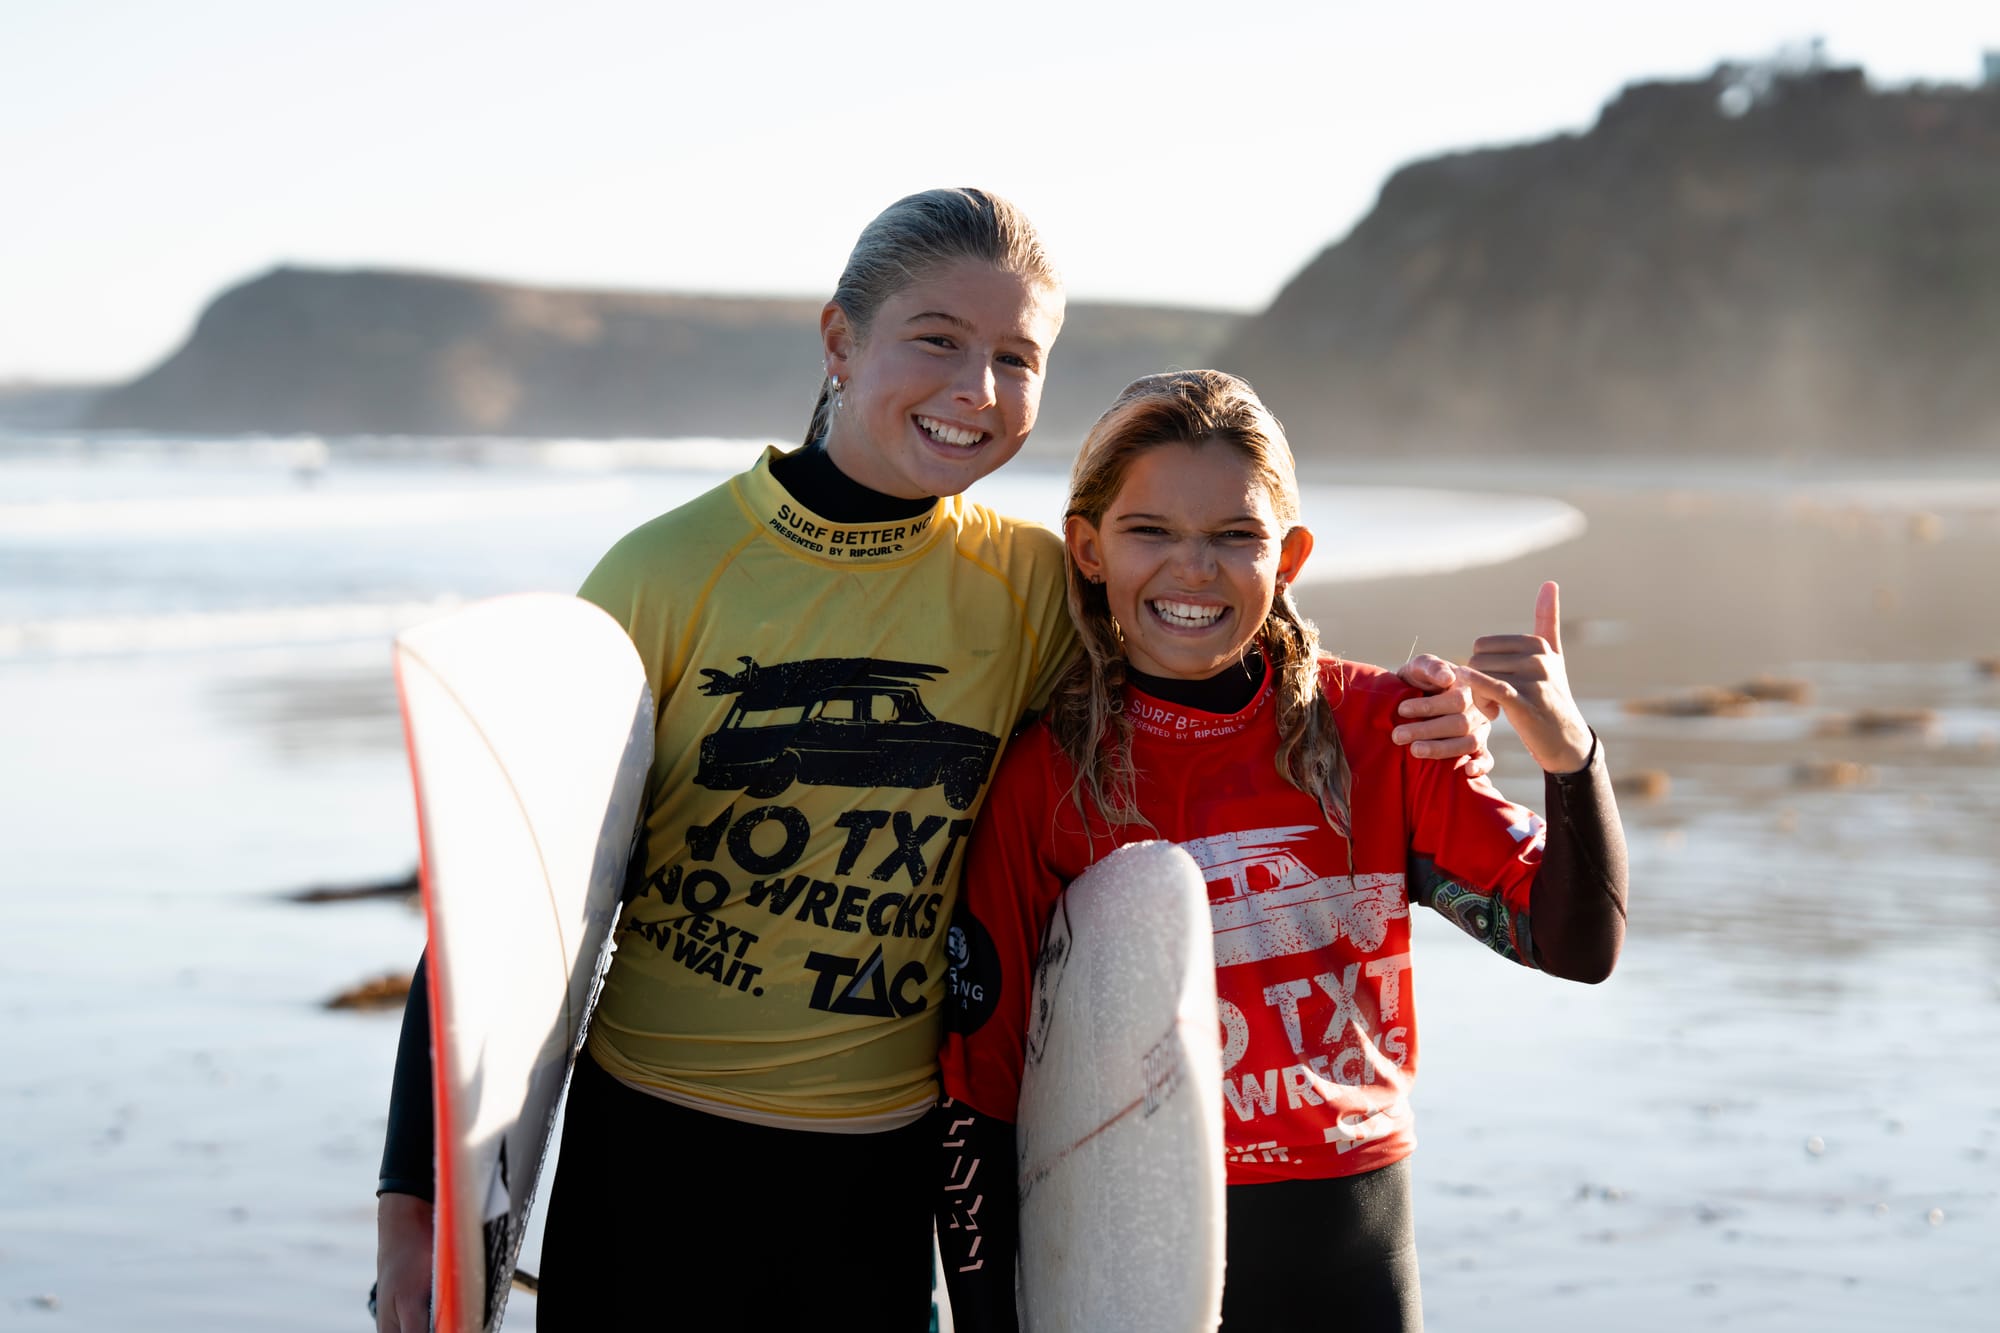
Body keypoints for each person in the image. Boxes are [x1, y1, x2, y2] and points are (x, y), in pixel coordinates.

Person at [373, 196, 1492, 1331]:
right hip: (655, 1145)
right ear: (838, 340)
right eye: (937, 339)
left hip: (881, 1167)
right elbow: (515, 898)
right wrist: (418, 1200)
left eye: (1018, 357)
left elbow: (1210, 643)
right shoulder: (667, 571)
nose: (978, 389)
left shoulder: (1028, 586)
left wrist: (1415, 717)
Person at [937, 369, 1628, 1333]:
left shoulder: (1381, 731)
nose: (1194, 569)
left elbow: (1575, 944)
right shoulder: (1046, 782)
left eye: (1235, 535)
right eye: (1152, 532)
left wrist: (1569, 756)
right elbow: (985, 1092)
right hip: (1121, 1266)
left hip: (1350, 1261)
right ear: (1088, 549)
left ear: (1291, 554)